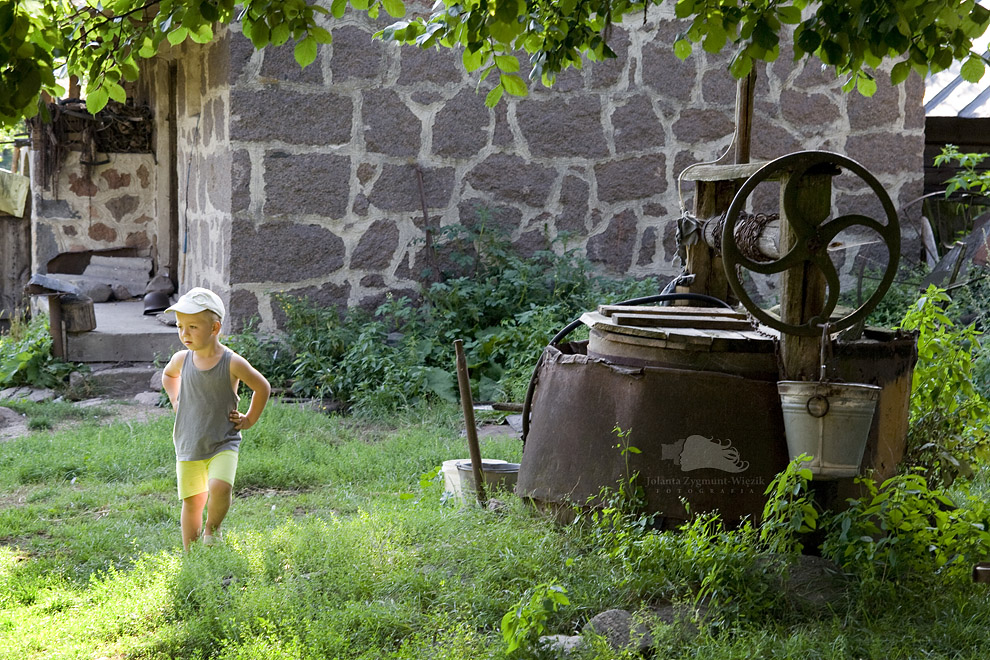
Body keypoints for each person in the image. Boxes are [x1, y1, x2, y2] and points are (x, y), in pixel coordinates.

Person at [161, 287, 271, 552]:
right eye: (180, 327)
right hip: (189, 443)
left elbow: (262, 387)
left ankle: (213, 528)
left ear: (214, 327)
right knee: (193, 500)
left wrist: (249, 419)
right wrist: (176, 400)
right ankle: (190, 554)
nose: (184, 334)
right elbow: (168, 376)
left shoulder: (231, 362)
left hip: (224, 440)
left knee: (220, 488)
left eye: (192, 327)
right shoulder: (181, 360)